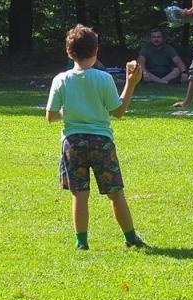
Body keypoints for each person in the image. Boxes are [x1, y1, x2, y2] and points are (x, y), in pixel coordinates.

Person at [45, 24, 147, 251]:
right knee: (115, 193)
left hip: (72, 143)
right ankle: (131, 238)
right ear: (96, 51)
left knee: (79, 195)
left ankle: (81, 242)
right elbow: (118, 111)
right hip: (101, 142)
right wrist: (131, 83)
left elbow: (51, 116)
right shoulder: (104, 78)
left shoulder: (61, 80)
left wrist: (70, 112)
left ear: (69, 52)